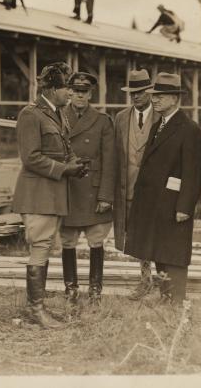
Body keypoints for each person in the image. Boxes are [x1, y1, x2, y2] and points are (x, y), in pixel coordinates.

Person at [12, 62, 87, 329]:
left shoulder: (57, 113)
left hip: (52, 193)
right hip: (38, 194)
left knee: (44, 247)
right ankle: (36, 310)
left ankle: (37, 307)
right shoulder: (31, 115)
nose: (71, 92)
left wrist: (75, 164)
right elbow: (30, 158)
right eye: (67, 87)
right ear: (52, 88)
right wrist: (64, 169)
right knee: (40, 247)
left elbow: (63, 149)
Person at [124, 73, 201, 304]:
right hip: (156, 203)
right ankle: (166, 296)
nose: (155, 100)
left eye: (161, 96)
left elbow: (194, 172)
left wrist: (185, 207)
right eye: (154, 96)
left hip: (174, 204)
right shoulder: (159, 126)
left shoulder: (189, 129)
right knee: (160, 249)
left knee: (175, 252)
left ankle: (176, 299)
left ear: (174, 99)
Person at [60, 72, 115, 307]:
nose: (80, 95)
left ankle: (95, 290)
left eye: (85, 91)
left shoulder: (103, 121)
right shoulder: (57, 116)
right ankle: (70, 289)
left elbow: (110, 161)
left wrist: (105, 195)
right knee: (68, 241)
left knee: (96, 241)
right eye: (76, 91)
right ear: (69, 92)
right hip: (68, 186)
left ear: (91, 94)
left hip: (93, 189)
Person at [113, 69, 160, 300]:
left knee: (157, 234)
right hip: (129, 189)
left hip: (154, 191)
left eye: (140, 92)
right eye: (132, 93)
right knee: (136, 236)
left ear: (150, 92)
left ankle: (161, 282)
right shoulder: (121, 118)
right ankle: (145, 280)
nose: (136, 97)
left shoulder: (162, 117)